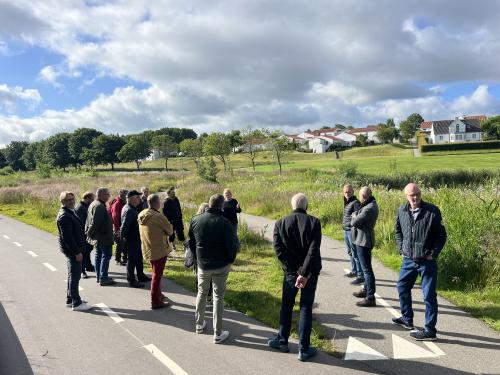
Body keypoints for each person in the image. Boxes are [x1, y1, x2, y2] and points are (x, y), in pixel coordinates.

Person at [268, 193, 322, 362]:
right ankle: (303, 349)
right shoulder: (315, 222)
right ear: (306, 206)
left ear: (292, 206)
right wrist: (304, 272)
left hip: (291, 273)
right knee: (306, 307)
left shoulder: (280, 223)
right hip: (310, 273)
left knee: (287, 305)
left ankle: (282, 340)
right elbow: (313, 251)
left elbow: (279, 250)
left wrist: (296, 271)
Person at [393, 183, 447, 341]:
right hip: (408, 259)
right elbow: (398, 231)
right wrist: (401, 249)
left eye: (417, 193)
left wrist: (433, 253)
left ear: (420, 193)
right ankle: (407, 319)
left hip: (426, 261)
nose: (415, 197)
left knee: (429, 296)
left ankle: (430, 330)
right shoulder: (401, 211)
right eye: (411, 195)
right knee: (402, 287)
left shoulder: (432, 211)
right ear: (406, 196)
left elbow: (442, 236)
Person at [189, 194, 237, 344]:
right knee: (218, 297)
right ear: (221, 206)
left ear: (209, 204)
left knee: (202, 292)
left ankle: (199, 324)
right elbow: (231, 245)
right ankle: (218, 332)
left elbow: (191, 242)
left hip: (203, 264)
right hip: (221, 265)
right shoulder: (225, 222)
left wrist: (198, 259)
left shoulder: (196, 219)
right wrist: (230, 260)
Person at [56, 191, 92, 311]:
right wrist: (77, 253)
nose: (71, 201)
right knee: (75, 277)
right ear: (62, 202)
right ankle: (76, 303)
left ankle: (70, 299)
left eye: (72, 199)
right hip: (74, 251)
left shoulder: (70, 211)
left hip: (75, 249)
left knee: (72, 275)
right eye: (68, 200)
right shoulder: (64, 216)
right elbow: (68, 238)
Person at [138, 194, 174, 309]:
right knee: (157, 276)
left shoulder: (142, 214)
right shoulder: (159, 216)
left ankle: (158, 294)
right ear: (157, 203)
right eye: (160, 201)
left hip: (148, 248)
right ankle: (155, 301)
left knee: (155, 273)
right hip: (159, 249)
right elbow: (170, 231)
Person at [351, 186, 379, 307]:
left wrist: (354, 216)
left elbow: (354, 221)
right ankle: (366, 290)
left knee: (367, 270)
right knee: (365, 268)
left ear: (363, 196)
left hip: (364, 241)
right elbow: (357, 215)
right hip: (362, 240)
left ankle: (370, 297)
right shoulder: (369, 204)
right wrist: (356, 215)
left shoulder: (370, 207)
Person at [85, 188, 116, 286]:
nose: (109, 196)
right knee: (106, 256)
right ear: (101, 195)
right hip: (103, 237)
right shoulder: (99, 206)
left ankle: (100, 276)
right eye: (107, 194)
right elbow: (95, 224)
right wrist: (90, 234)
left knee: (99, 255)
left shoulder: (95, 203)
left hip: (100, 237)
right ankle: (103, 277)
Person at [120, 190, 149, 288]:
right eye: (138, 197)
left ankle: (140, 275)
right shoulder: (129, 210)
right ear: (132, 199)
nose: (140, 199)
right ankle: (131, 280)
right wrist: (121, 238)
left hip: (136, 238)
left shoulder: (132, 208)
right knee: (132, 260)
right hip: (131, 240)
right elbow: (124, 227)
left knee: (138, 258)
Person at [342, 185, 362, 283]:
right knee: (350, 252)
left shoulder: (355, 203)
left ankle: (360, 275)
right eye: (345, 192)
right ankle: (354, 271)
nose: (347, 194)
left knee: (355, 253)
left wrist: (352, 227)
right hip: (345, 230)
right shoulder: (347, 202)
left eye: (349, 192)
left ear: (353, 192)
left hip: (351, 231)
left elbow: (357, 217)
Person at [75, 191, 95, 278]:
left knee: (88, 251)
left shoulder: (85, 206)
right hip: (82, 235)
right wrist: (85, 234)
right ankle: (82, 271)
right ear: (87, 198)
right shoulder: (80, 208)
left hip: (86, 234)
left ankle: (88, 266)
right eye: (92, 199)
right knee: (83, 252)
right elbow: (80, 223)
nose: (93, 200)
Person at [109, 189, 128, 266]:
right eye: (126, 195)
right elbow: (115, 217)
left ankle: (124, 258)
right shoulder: (117, 204)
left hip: (121, 227)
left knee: (124, 244)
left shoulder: (123, 203)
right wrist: (118, 230)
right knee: (120, 244)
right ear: (122, 195)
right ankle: (118, 259)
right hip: (117, 228)